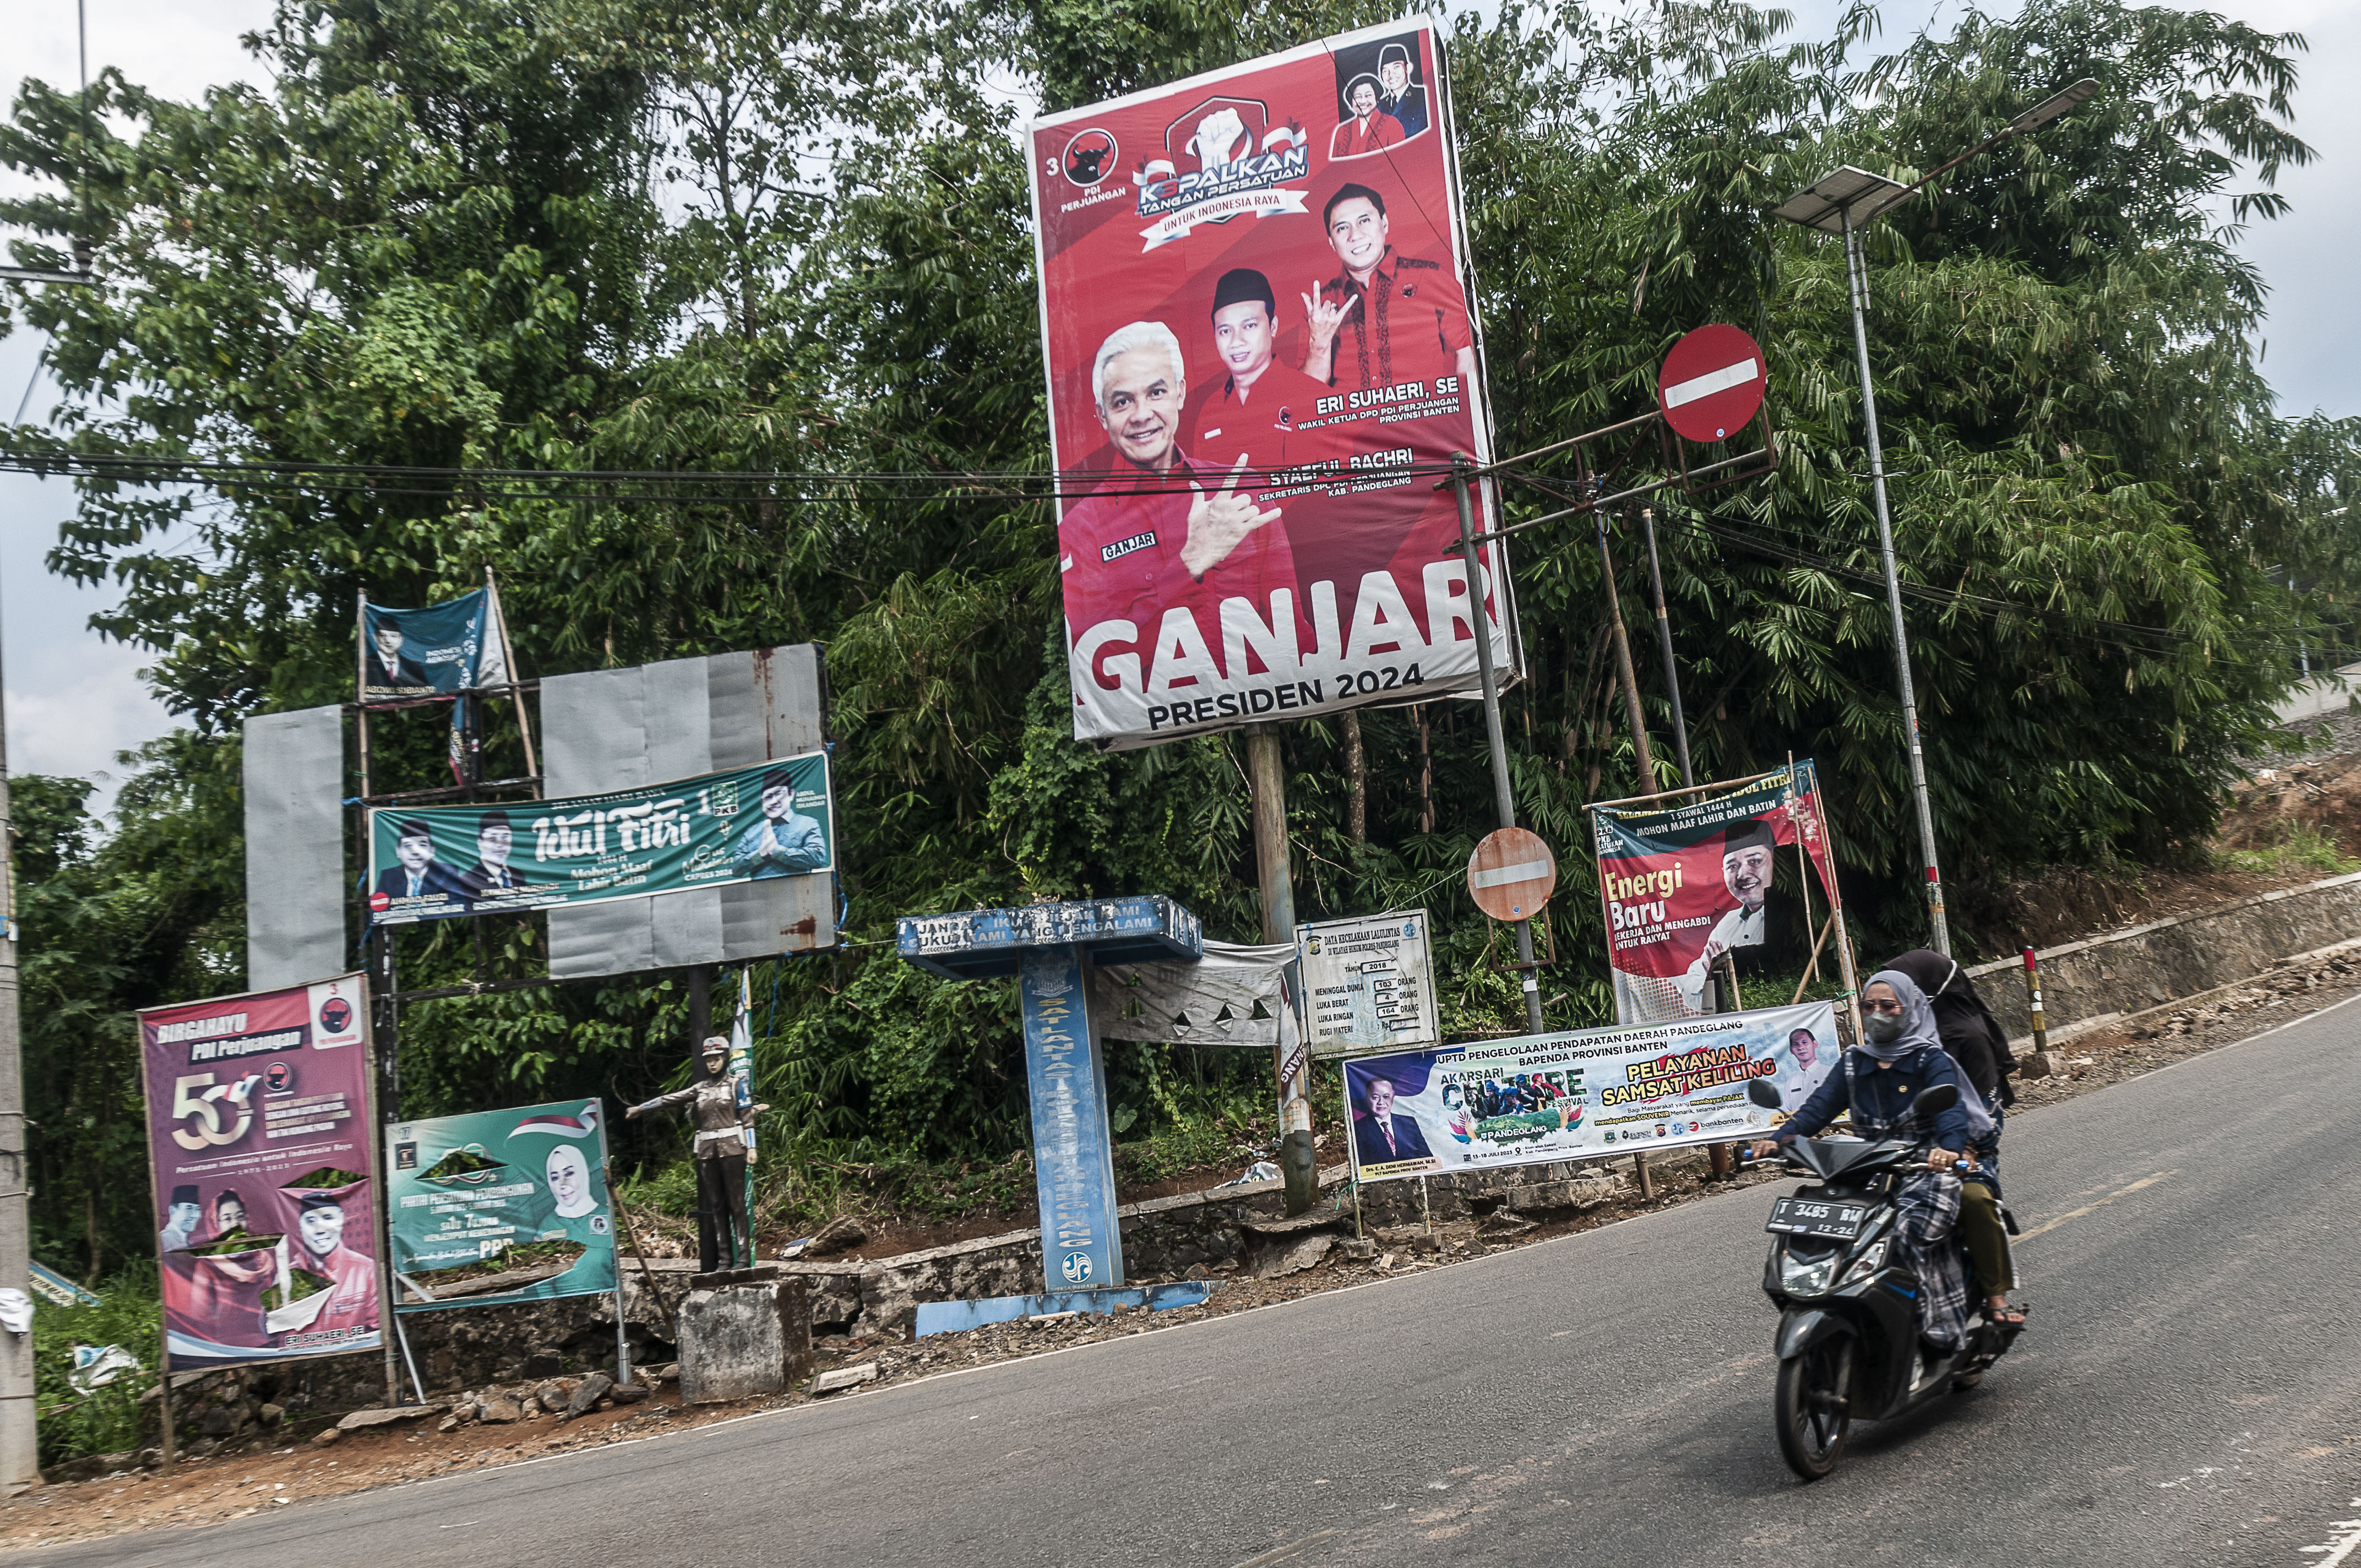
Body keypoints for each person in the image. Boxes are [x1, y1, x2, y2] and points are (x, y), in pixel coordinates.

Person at [1753, 971, 2020, 1325]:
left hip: (1928, 1164)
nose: (1877, 1013)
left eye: (1888, 1006)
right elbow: (1816, 1110)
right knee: (1824, 1226)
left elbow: (1950, 1111)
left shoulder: (1930, 1059)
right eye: (1869, 1006)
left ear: (1909, 1010)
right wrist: (1778, 1139)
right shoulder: (1854, 1062)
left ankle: (1993, 1297)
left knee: (1972, 1201)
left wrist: (1950, 1149)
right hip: (1872, 1167)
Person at [1057, 321, 1306, 671]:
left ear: (1180, 393)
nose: (1142, 415)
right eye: (1123, 402)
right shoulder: (1079, 532)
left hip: (1257, 705)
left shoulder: (1241, 489)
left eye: (1156, 393)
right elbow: (1099, 667)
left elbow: (1293, 633)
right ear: (1102, 416)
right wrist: (1188, 564)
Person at [1884, 948, 2023, 1325]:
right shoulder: (1894, 1037)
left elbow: (1987, 1113)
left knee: (1974, 1200)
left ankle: (1995, 1298)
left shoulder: (1970, 1039)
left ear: (1928, 990)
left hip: (1964, 1150)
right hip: (1903, 1149)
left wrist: (1965, 1148)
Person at [1302, 184, 1478, 394]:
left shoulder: (1430, 277)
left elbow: (1466, 356)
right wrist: (1318, 345)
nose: (1355, 235)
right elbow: (1306, 395)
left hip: (1423, 414)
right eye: (1342, 228)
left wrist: (1456, 409)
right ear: (1332, 243)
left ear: (1384, 223)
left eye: (1364, 221)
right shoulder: (1320, 306)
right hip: (1351, 417)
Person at [1179, 269, 1339, 492]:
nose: (1237, 341)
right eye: (1225, 331)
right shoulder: (1209, 413)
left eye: (1249, 326)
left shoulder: (1313, 396)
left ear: (1273, 327)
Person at [628, 1036, 757, 1273]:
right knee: (717, 1205)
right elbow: (670, 1099)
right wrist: (642, 1108)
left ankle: (743, 1257)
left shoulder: (736, 1084)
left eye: (717, 1058)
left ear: (725, 1058)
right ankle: (724, 1259)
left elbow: (747, 1118)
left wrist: (752, 1147)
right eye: (709, 1060)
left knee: (737, 1204)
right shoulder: (700, 1088)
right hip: (707, 1152)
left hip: (732, 1149)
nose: (713, 1063)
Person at [1678, 819, 1777, 1012]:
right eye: (1733, 866)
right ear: (1722, 872)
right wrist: (1712, 972)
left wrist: (1726, 966)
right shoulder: (1727, 924)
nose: (1743, 874)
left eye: (1755, 861)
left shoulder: (1790, 916)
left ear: (1774, 861)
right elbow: (1695, 997)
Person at [275, 1190, 379, 1337]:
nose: (320, 1230)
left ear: (341, 1220)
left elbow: (376, 1332)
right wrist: (275, 1297)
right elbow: (272, 1333)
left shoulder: (367, 1271)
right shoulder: (287, 1275)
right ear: (300, 1226)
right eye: (311, 1221)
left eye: (328, 1218)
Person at [732, 767, 828, 878]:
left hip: (798, 887)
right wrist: (759, 855)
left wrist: (778, 852)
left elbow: (818, 858)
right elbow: (735, 870)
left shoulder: (808, 824)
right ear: (762, 801)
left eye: (779, 794)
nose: (773, 802)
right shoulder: (751, 832)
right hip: (760, 889)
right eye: (768, 797)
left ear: (791, 794)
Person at [375, 819, 465, 905]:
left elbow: (458, 906)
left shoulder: (447, 873)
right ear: (398, 851)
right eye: (408, 846)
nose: (415, 852)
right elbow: (379, 908)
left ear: (432, 850)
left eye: (422, 845)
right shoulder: (388, 876)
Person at [1352, 1075, 1433, 1167]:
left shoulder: (1409, 1123)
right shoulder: (1358, 1128)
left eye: (1386, 1097)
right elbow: (1362, 1166)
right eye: (1375, 1097)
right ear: (1367, 1098)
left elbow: (1428, 1159)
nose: (1381, 1102)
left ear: (1393, 1098)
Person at [456, 809, 537, 903]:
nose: (500, 844)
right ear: (480, 842)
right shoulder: (469, 879)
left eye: (505, 837)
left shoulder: (518, 875)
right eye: (492, 838)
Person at [1329, 75, 1403, 160]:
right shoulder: (1341, 131)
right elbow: (1335, 165)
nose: (1363, 101)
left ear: (1377, 99)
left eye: (1368, 95)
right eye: (1358, 97)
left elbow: (1400, 160)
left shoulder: (1392, 124)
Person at [1376, 43, 1428, 138]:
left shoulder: (1423, 96)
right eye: (1385, 71)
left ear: (1407, 68)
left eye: (1396, 67)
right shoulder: (1380, 107)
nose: (1391, 75)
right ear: (1381, 76)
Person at [365, 619, 426, 693]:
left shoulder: (414, 667)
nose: (388, 641)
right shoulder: (365, 664)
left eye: (393, 636)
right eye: (383, 635)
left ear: (401, 640)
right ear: (375, 637)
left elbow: (424, 693)